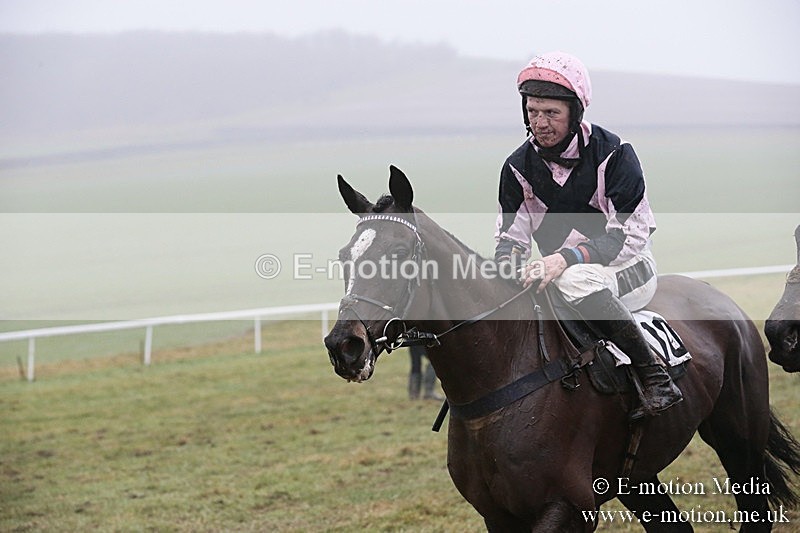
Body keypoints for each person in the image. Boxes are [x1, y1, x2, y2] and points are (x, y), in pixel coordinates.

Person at [494, 51, 682, 418]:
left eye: (551, 113)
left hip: (628, 267)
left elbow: (629, 235)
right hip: (556, 270)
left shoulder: (615, 153)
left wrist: (565, 259)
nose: (540, 122)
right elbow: (510, 238)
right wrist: (509, 266)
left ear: (575, 111)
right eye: (533, 112)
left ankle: (656, 377)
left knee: (576, 281)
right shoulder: (517, 167)